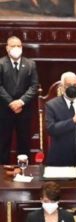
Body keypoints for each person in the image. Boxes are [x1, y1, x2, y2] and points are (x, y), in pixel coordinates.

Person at [0, 35, 38, 164]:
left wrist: (21, 102)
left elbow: (34, 86)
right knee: (3, 143)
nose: (16, 48)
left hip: (24, 110)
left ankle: (24, 171)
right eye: (13, 46)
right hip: (5, 110)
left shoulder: (30, 64)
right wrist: (11, 102)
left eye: (19, 46)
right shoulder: (1, 63)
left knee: (24, 142)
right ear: (7, 48)